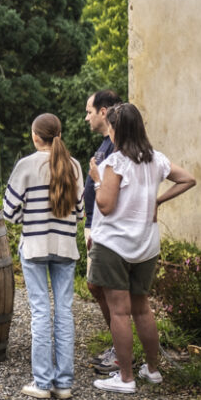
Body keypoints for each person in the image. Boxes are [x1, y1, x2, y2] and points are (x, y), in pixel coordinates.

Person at [90, 103, 196, 394]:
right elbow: (188, 179)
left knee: (120, 312)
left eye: (110, 126)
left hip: (115, 245)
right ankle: (152, 369)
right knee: (142, 308)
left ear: (117, 130)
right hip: (146, 244)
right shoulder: (156, 159)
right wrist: (158, 201)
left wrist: (97, 180)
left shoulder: (116, 163)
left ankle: (125, 378)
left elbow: (106, 206)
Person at [4, 113, 84, 400]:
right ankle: (63, 384)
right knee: (64, 312)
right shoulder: (74, 166)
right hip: (64, 247)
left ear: (36, 136)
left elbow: (9, 213)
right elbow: (81, 212)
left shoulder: (26, 165)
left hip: (35, 247)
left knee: (40, 312)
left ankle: (42, 383)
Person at [82, 89, 122, 373]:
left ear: (104, 112)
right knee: (97, 286)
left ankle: (122, 352)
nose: (86, 117)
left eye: (89, 111)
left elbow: (109, 191)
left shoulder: (117, 148)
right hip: (95, 225)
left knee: (102, 287)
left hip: (107, 228)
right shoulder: (105, 144)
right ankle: (119, 346)